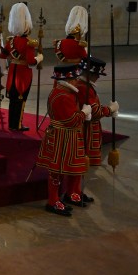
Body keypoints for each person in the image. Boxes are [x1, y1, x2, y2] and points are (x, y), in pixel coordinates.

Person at [35, 64, 91, 216]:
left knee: (70, 167)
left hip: (67, 135)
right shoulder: (63, 96)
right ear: (67, 79)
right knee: (57, 171)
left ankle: (69, 193)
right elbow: (71, 120)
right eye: (74, 79)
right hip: (62, 136)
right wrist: (83, 113)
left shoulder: (63, 92)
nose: (76, 82)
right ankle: (53, 200)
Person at [69, 56, 119, 207]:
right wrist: (110, 109)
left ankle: (76, 191)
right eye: (97, 74)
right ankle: (74, 192)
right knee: (80, 162)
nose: (98, 77)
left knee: (80, 163)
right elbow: (95, 111)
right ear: (90, 73)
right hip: (85, 129)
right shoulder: (85, 88)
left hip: (87, 127)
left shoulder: (84, 85)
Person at [3, 2, 43, 131]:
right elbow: (31, 61)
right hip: (23, 74)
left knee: (13, 99)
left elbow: (4, 54)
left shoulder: (11, 41)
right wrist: (39, 58)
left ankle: (11, 123)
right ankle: (18, 124)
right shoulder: (28, 43)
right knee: (21, 99)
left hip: (12, 71)